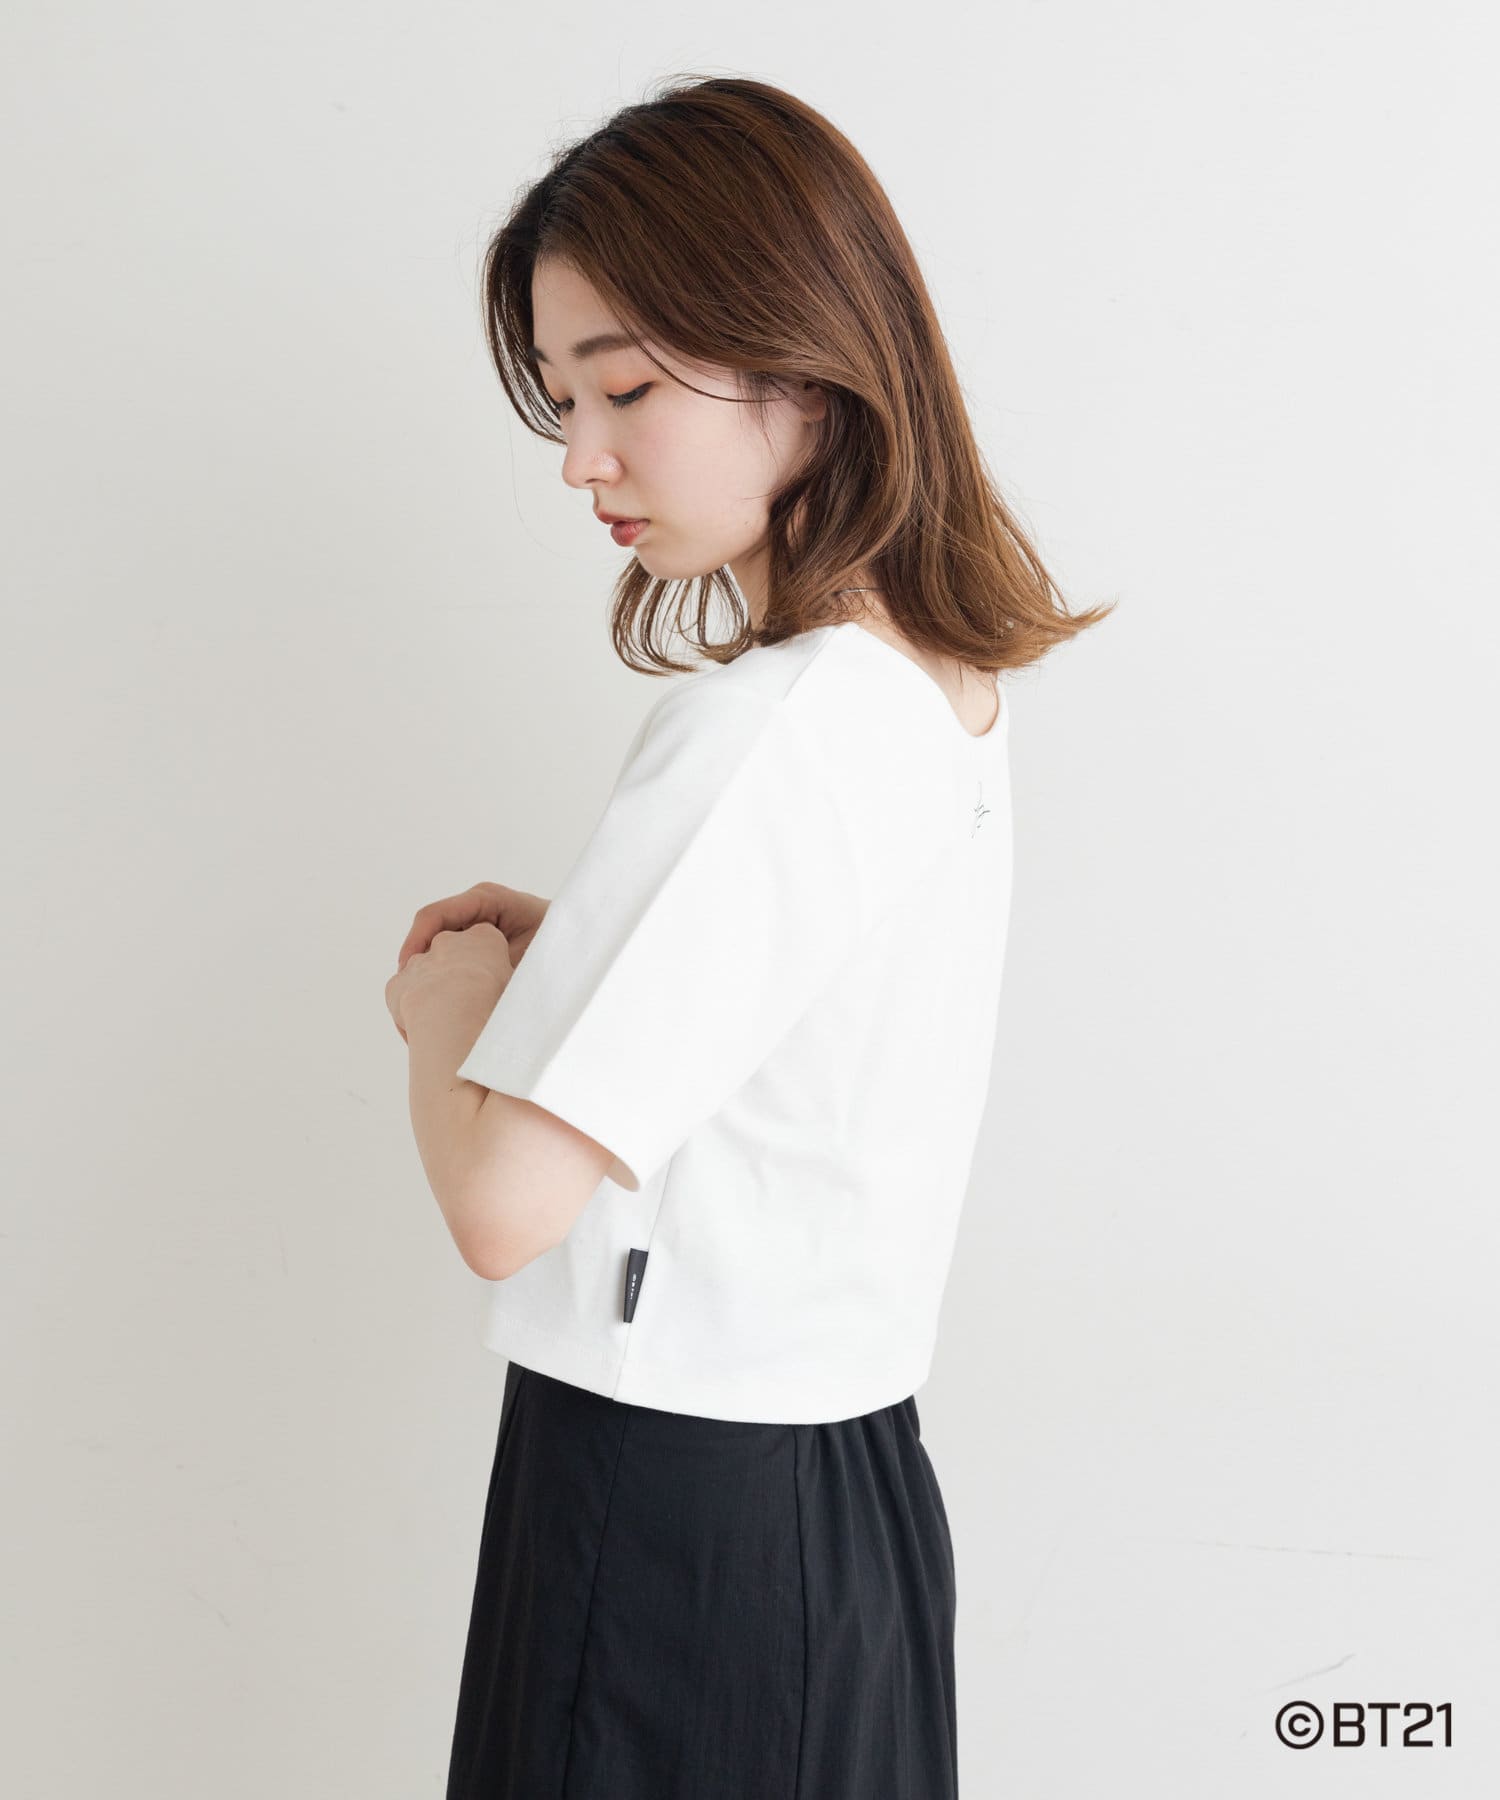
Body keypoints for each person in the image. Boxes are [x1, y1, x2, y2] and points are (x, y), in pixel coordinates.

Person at [386, 74, 1112, 1800]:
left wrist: (454, 1005)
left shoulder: (769, 725)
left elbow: (502, 1206)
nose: (583, 457)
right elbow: (812, 1015)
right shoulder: (933, 683)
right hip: (845, 1499)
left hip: (667, 1519)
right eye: (564, 399)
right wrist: (596, 948)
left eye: (627, 386)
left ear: (809, 357)